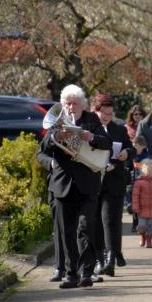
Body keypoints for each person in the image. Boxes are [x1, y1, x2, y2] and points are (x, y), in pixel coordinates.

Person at [38, 84, 112, 288]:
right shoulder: (56, 123)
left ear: (82, 105)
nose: (71, 107)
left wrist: (92, 138)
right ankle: (71, 275)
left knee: (85, 228)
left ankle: (86, 273)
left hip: (87, 184)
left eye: (75, 104)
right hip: (62, 184)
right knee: (66, 232)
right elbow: (42, 150)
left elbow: (106, 142)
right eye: (67, 104)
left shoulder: (91, 119)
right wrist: (55, 139)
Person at [92, 93, 135, 277]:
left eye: (110, 114)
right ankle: (100, 258)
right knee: (96, 222)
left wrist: (126, 152)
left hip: (115, 180)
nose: (108, 118)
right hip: (94, 181)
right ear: (96, 110)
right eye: (105, 114)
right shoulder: (89, 128)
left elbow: (130, 147)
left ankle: (111, 258)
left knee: (110, 219)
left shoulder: (118, 129)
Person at [36, 150, 65, 282]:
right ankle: (60, 267)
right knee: (59, 228)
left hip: (80, 187)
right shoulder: (54, 133)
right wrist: (51, 162)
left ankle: (84, 268)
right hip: (57, 185)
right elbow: (41, 154)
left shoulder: (85, 129)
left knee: (81, 229)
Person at [129, 135, 149, 232]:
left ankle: (143, 224)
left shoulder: (147, 157)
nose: (134, 148)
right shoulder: (132, 156)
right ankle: (135, 223)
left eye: (136, 146)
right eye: (133, 146)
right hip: (134, 184)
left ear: (143, 146)